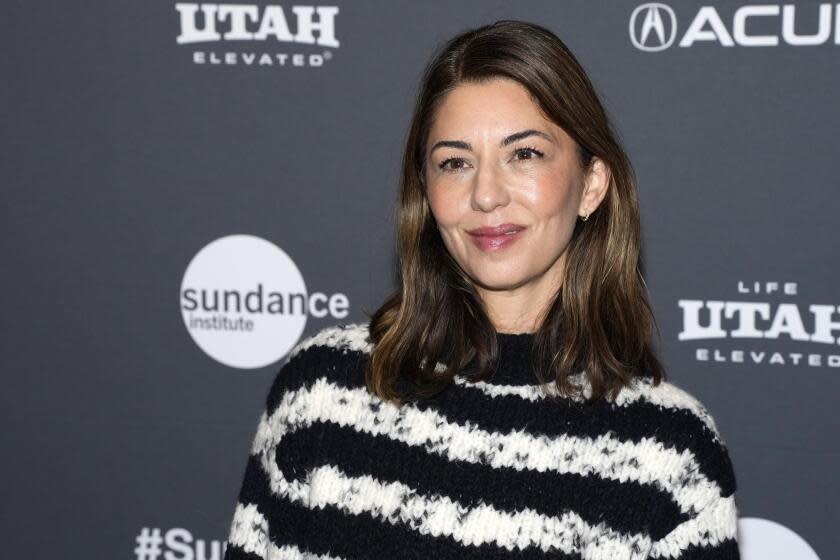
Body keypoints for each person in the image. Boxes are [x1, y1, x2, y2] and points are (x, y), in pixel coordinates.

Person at [223, 19, 740, 560]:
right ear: (425, 193)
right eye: (455, 162)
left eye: (525, 154)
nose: (486, 195)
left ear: (591, 185)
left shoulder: (668, 451)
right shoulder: (322, 393)